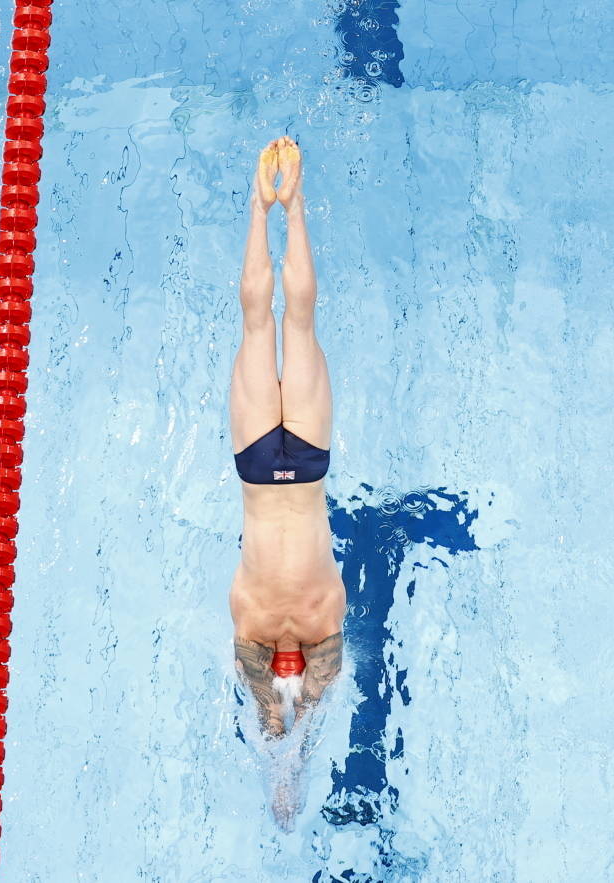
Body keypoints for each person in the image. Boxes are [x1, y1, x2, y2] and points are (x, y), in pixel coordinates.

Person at [228, 136, 345, 756]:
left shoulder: (254, 624)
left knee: (256, 317)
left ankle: (258, 208)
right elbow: (316, 695)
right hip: (306, 464)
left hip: (255, 467)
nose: (292, 670)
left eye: (284, 676)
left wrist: (277, 723)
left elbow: (270, 715)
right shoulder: (322, 619)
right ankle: (293, 207)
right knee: (300, 320)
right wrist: (298, 725)